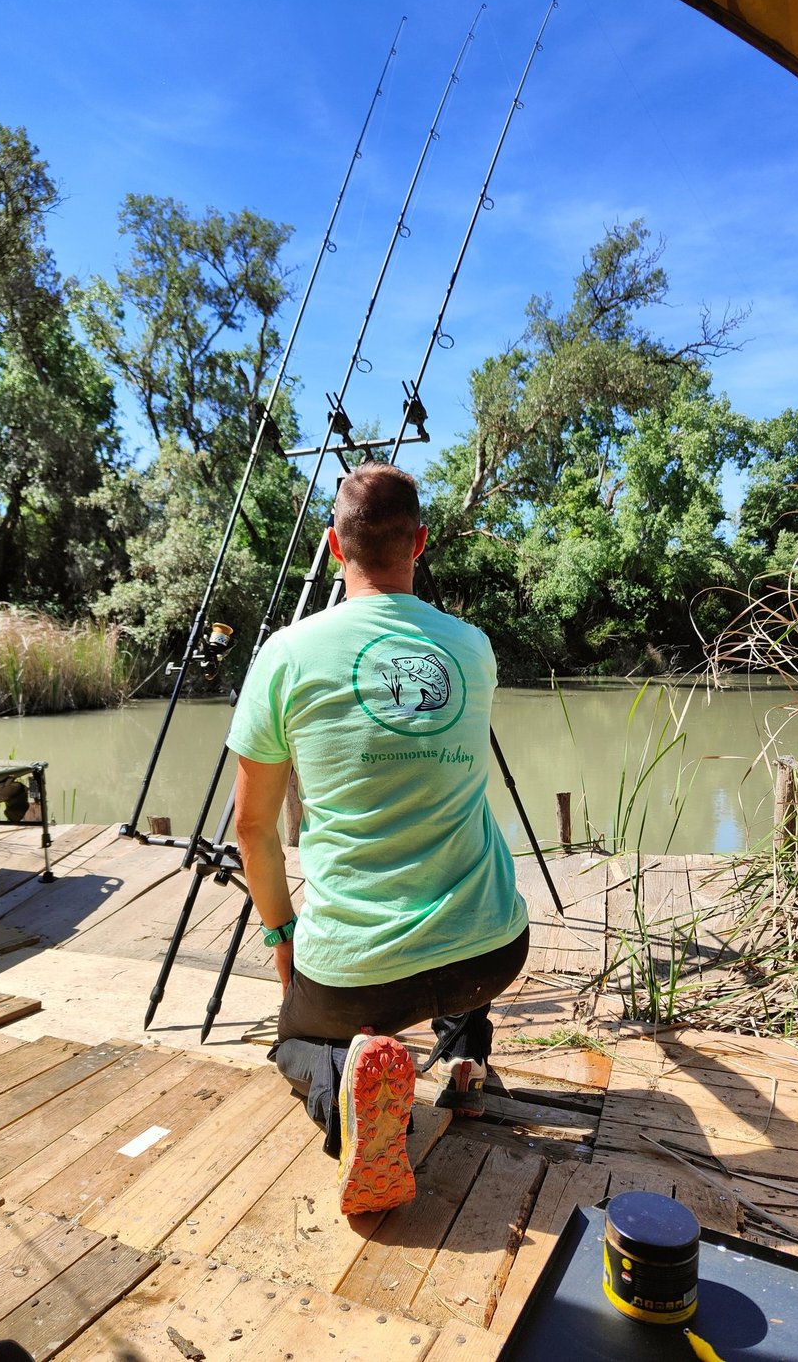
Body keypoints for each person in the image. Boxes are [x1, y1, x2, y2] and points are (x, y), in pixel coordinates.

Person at [226, 461, 528, 1216]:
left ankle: (349, 1093)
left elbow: (252, 825)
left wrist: (282, 935)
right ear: (420, 543)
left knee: (292, 1040)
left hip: (356, 979)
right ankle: (464, 1057)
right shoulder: (473, 648)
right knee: (457, 871)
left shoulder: (287, 655)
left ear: (333, 546)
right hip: (491, 952)